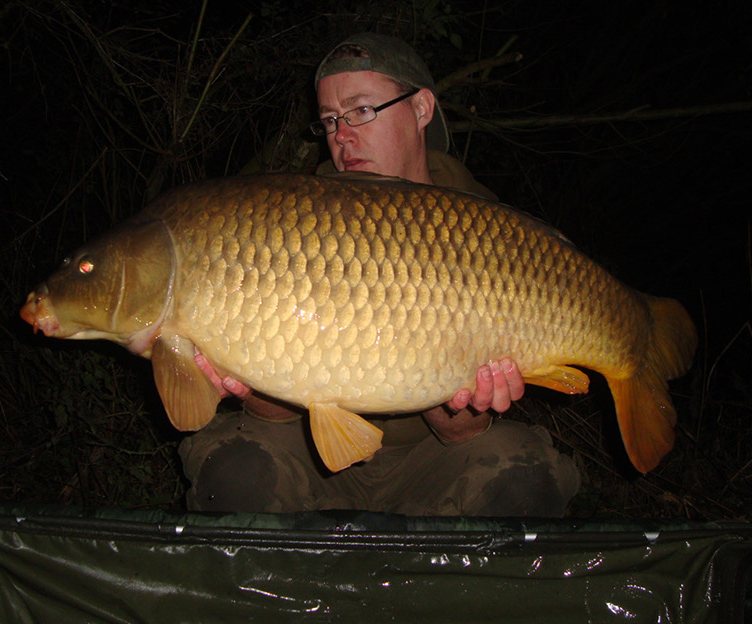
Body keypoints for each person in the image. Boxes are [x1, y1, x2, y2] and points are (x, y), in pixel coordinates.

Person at [180, 32, 580, 516]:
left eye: (362, 110)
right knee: (234, 471)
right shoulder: (290, 223)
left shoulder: (488, 233)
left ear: (421, 108)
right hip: (308, 450)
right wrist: (248, 380)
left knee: (525, 479)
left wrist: (470, 400)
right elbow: (278, 414)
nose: (341, 134)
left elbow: (461, 432)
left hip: (435, 459)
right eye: (329, 119)